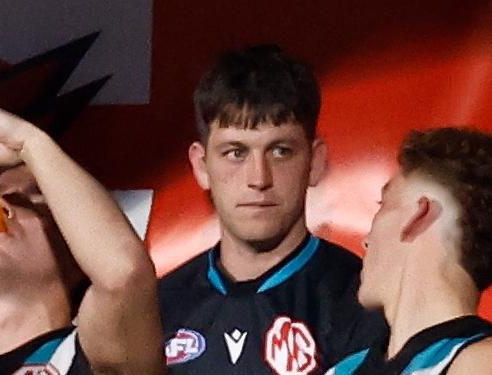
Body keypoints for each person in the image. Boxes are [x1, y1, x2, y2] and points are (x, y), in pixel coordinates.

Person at [158, 45, 387, 374]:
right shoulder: (157, 307)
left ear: (315, 161)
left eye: (280, 151)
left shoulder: (363, 301)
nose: (258, 179)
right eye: (235, 152)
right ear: (201, 165)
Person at [0, 105, 164, 374]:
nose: (2, 209)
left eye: (34, 201)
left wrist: (30, 142)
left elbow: (123, 274)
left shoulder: (88, 359)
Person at [326, 127, 492, 374]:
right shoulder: (342, 370)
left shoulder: (480, 363)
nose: (365, 240)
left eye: (383, 204)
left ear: (418, 215)